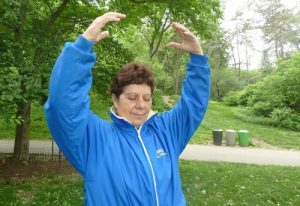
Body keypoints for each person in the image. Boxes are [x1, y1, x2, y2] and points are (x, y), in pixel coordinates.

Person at [45, 12, 210, 206]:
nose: (141, 105)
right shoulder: (94, 139)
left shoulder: (166, 131)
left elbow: (194, 104)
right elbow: (62, 106)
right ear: (115, 99)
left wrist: (198, 58)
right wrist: (82, 47)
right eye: (132, 97)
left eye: (147, 98)